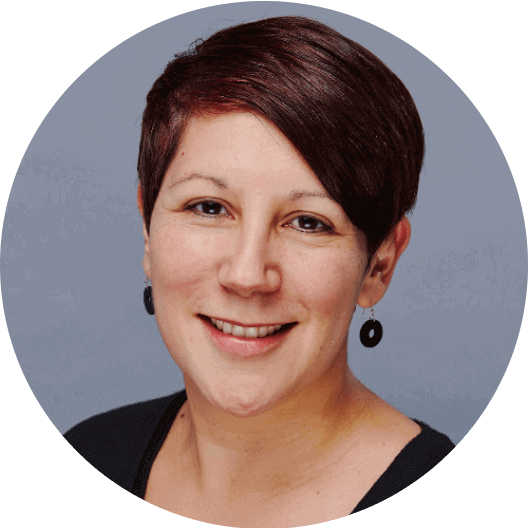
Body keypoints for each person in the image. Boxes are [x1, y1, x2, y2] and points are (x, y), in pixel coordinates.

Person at [63, 15, 455, 525]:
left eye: (309, 222)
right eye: (208, 207)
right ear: (147, 227)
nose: (247, 275)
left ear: (380, 263)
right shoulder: (92, 452)